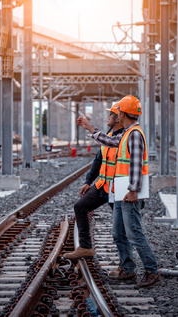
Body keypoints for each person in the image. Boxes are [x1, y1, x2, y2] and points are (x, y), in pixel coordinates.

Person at [76, 95, 161, 288]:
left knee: (135, 234)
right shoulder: (127, 134)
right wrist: (89, 127)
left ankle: (151, 271)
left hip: (128, 192)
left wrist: (133, 190)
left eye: (118, 111)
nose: (117, 114)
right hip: (121, 191)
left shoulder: (135, 134)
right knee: (118, 233)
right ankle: (128, 269)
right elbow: (108, 141)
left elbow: (137, 165)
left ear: (122, 113)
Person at [63, 103, 125, 260]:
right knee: (80, 207)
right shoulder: (109, 137)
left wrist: (88, 126)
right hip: (103, 186)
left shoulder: (123, 138)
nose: (108, 117)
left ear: (118, 117)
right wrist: (88, 181)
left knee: (121, 229)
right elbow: (98, 161)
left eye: (110, 115)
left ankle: (126, 263)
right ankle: (85, 247)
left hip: (117, 189)